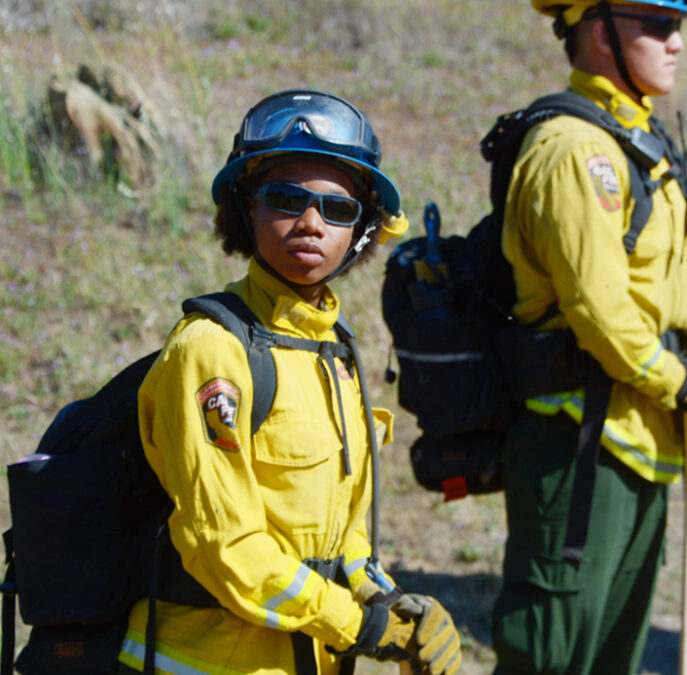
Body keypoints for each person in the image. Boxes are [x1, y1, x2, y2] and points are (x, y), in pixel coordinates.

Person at [118, 89, 462, 675]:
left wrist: (392, 605)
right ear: (246, 210)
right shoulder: (212, 350)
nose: (310, 222)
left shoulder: (335, 351)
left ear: (361, 231)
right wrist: (357, 625)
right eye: (285, 198)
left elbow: (340, 540)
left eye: (338, 209)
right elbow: (223, 544)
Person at [491, 2, 687, 673]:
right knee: (552, 655)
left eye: (678, 25)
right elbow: (599, 311)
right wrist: (682, 382)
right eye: (658, 25)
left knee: (612, 659)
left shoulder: (641, 144)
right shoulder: (577, 152)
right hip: (581, 446)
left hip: (642, 439)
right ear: (601, 32)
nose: (677, 42)